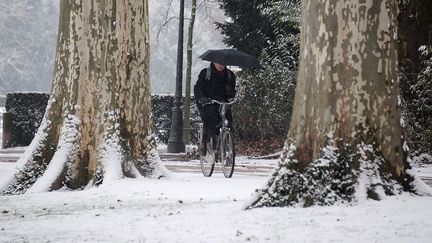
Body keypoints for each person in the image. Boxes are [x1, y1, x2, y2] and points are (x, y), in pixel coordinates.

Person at [194, 62, 236, 156]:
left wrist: (231, 97)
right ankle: (205, 142)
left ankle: (229, 145)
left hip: (222, 102)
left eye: (223, 63)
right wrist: (202, 98)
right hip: (208, 102)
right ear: (213, 62)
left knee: (229, 121)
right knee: (211, 118)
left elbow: (232, 90)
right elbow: (198, 88)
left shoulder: (230, 75)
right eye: (219, 63)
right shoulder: (206, 73)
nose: (221, 65)